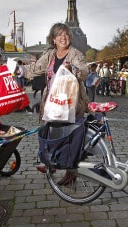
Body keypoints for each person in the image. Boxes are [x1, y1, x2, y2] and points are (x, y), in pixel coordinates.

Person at [30, 23, 89, 181]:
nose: (64, 37)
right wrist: (14, 69)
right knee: (50, 132)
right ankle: (51, 163)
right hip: (52, 103)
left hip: (71, 102)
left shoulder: (75, 54)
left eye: (66, 34)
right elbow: (34, 69)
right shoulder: (50, 55)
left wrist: (73, 70)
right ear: (54, 39)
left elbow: (84, 72)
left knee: (69, 136)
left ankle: (71, 172)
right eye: (60, 35)